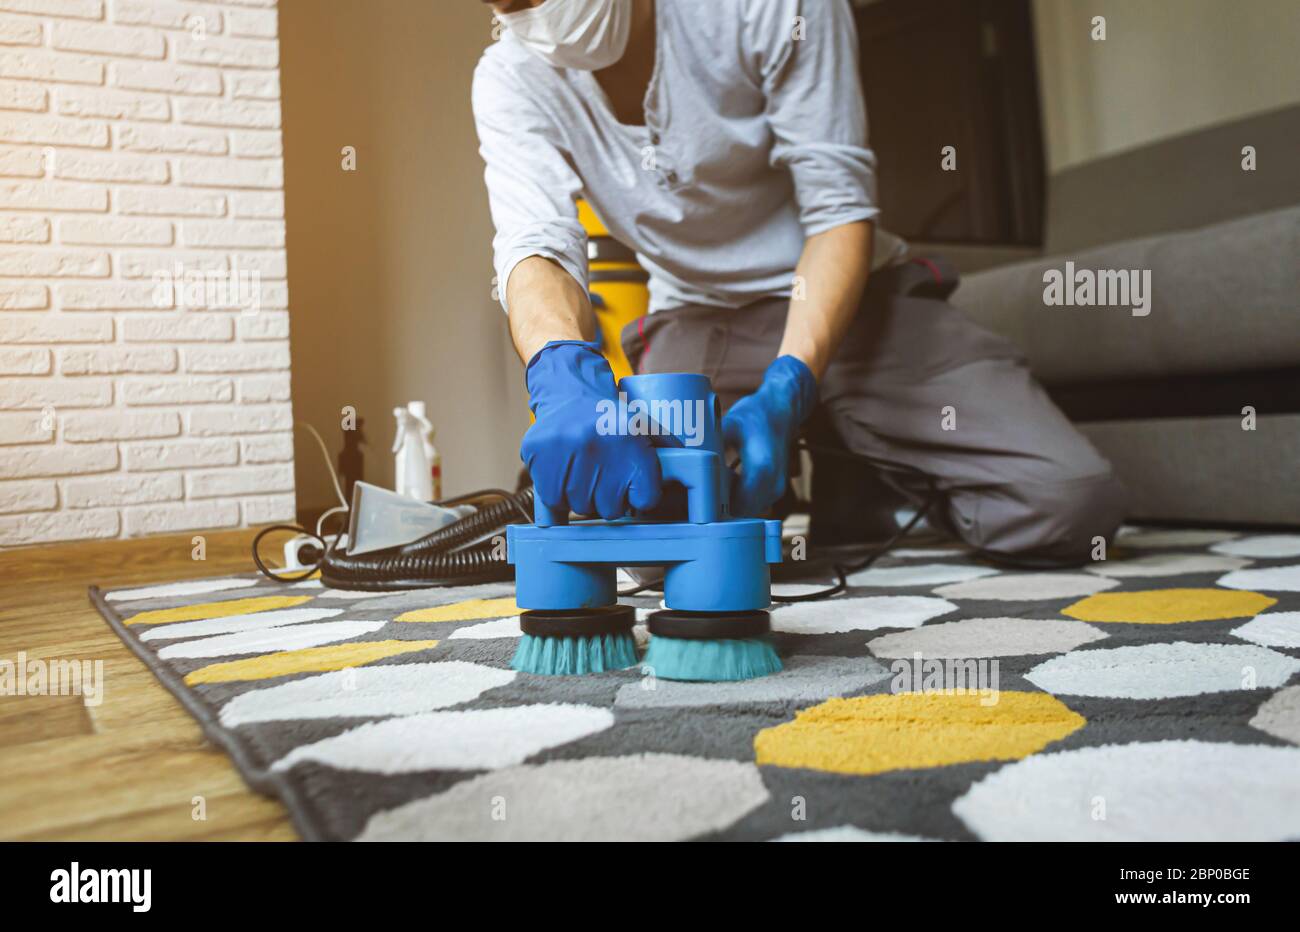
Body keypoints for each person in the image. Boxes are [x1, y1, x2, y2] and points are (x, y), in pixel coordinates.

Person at [472, 0, 1126, 564]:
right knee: (651, 535)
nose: (532, 14)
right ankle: (835, 464)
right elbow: (537, 249)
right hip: (699, 316)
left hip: (854, 300)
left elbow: (838, 212)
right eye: (504, 2)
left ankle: (855, 463)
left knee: (1067, 503)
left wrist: (789, 387)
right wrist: (561, 373)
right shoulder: (511, 80)